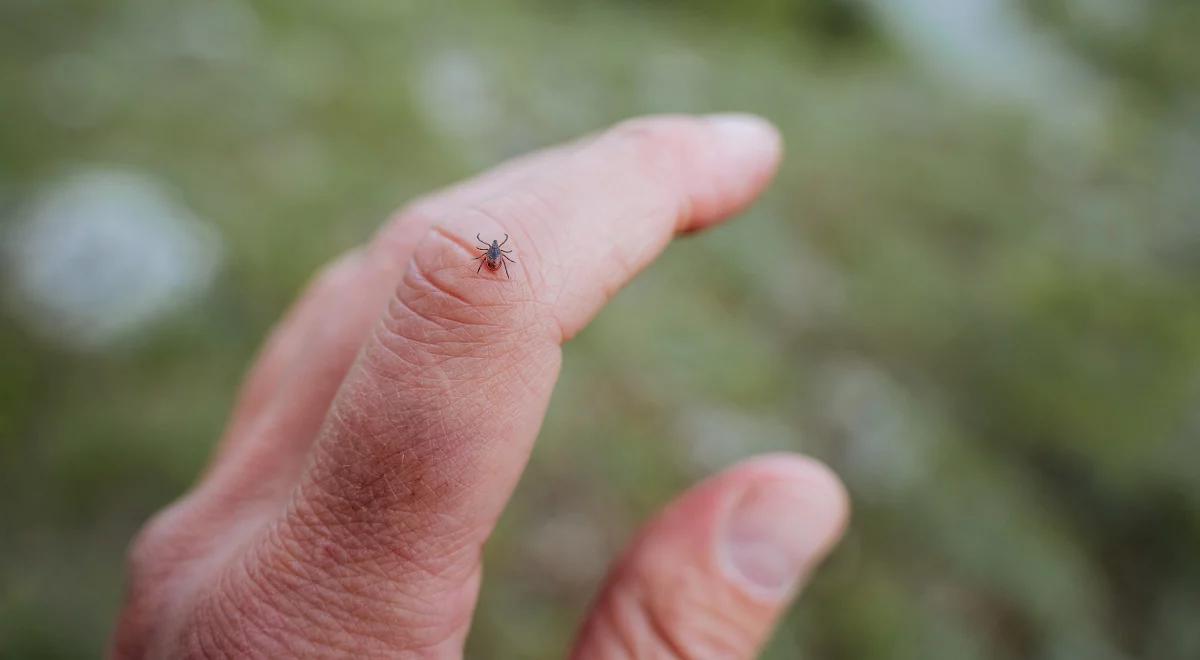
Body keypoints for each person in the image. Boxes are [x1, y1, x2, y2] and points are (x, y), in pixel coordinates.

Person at [112, 114, 849, 659]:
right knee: (480, 273)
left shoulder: (491, 257)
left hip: (494, 265)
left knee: (480, 273)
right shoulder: (491, 258)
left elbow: (490, 261)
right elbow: (490, 262)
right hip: (493, 267)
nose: (493, 255)